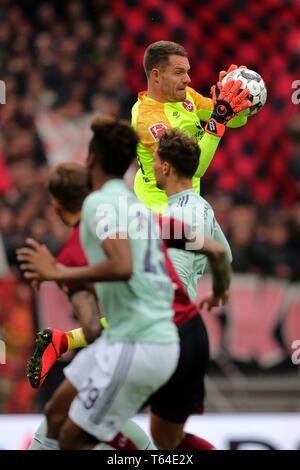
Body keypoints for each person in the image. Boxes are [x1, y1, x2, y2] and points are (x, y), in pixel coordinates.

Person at [18, 118, 231, 450]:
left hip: (145, 337)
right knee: (59, 417)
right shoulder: (141, 209)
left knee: (73, 434)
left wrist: (57, 273)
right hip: (169, 332)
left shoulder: (94, 215)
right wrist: (219, 289)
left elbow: (121, 267)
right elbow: (217, 251)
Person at [132, 40, 251, 211]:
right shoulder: (150, 120)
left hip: (189, 201)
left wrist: (237, 98)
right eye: (179, 72)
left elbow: (235, 120)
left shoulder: (186, 96)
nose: (187, 79)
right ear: (156, 75)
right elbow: (191, 168)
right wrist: (217, 120)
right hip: (162, 211)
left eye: (187, 72)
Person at [154, 127, 232, 301]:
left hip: (171, 320)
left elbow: (176, 284)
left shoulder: (178, 215)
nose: (152, 167)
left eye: (155, 161)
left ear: (166, 168)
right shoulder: (202, 205)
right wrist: (218, 290)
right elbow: (224, 255)